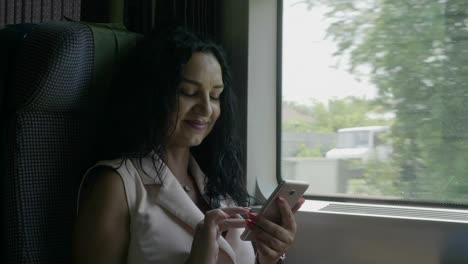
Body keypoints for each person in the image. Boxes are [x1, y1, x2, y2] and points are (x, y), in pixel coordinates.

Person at [72, 26, 305, 264]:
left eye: (215, 96)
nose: (205, 109)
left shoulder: (219, 186)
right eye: (189, 92)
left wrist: (269, 257)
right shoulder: (117, 185)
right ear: (152, 95)